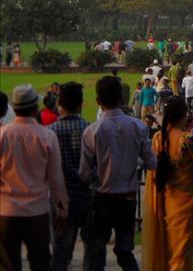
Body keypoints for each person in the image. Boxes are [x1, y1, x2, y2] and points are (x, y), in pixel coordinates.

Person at [80, 75, 158, 271]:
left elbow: (85, 172)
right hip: (128, 198)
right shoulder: (138, 126)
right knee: (125, 252)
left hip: (101, 197)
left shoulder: (92, 131)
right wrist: (133, 161)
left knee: (96, 253)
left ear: (98, 101)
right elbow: (151, 162)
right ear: (122, 99)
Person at [0, 84, 69, 271]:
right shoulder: (46, 136)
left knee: (9, 266)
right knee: (40, 263)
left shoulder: (3, 135)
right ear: (35, 108)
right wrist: (62, 210)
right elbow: (56, 180)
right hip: (37, 212)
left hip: (7, 211)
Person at [142, 96, 193, 270]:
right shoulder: (188, 140)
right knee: (183, 249)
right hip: (187, 202)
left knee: (171, 247)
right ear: (183, 115)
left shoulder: (158, 138)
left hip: (166, 200)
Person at [49, 82, 91, 271]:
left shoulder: (50, 132)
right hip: (87, 196)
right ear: (81, 104)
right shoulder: (90, 130)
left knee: (60, 251)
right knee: (92, 250)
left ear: (59, 103)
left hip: (60, 199)